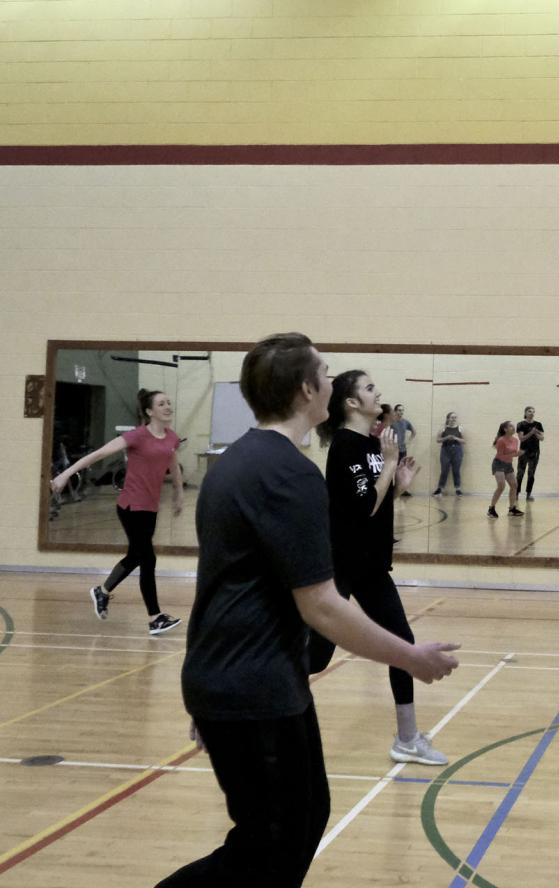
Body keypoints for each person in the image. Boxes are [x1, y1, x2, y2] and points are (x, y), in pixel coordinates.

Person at [157, 333, 458, 887]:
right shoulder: (289, 473)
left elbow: (224, 590)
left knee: (287, 826)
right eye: (324, 371)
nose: (332, 379)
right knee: (277, 838)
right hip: (255, 689)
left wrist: (210, 692)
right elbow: (322, 605)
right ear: (305, 390)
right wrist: (411, 656)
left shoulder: (233, 463)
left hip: (236, 683)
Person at [312, 370, 447, 766]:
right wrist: (389, 466)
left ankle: (406, 739)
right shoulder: (345, 448)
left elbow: (377, 500)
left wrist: (398, 482)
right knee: (314, 660)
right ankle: (247, 700)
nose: (378, 393)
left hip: (370, 567)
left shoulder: (371, 444)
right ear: (351, 403)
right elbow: (361, 508)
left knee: (403, 647)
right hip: (340, 567)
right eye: (369, 388)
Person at [50, 388, 184, 635]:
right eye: (162, 404)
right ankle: (155, 617)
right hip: (131, 506)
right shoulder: (136, 437)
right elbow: (98, 454)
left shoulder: (171, 438)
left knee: (135, 556)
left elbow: (172, 466)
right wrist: (65, 474)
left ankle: (102, 592)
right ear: (149, 411)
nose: (167, 407)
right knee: (148, 559)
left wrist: (179, 493)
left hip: (150, 508)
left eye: (168, 403)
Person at [489, 421, 524, 518]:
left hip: (508, 465)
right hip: (498, 464)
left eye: (513, 426)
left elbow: (513, 454)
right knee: (501, 486)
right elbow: (501, 455)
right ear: (505, 429)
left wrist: (520, 453)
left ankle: (512, 509)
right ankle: (491, 509)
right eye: (511, 426)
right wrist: (515, 454)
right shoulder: (501, 440)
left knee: (514, 485)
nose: (513, 427)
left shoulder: (516, 440)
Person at [515, 406, 546, 502]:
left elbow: (542, 438)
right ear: (525, 413)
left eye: (533, 412)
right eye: (529, 411)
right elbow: (521, 438)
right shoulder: (520, 424)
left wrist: (535, 432)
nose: (532, 413)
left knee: (531, 474)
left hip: (535, 452)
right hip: (523, 452)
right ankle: (516, 493)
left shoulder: (538, 424)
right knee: (520, 473)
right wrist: (532, 432)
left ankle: (528, 494)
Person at [433, 411, 465, 496]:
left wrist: (455, 438)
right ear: (448, 418)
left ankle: (458, 489)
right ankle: (440, 488)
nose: (454, 419)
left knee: (456, 470)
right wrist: (446, 437)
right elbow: (438, 440)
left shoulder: (460, 428)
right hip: (445, 450)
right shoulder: (443, 428)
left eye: (455, 417)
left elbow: (464, 441)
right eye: (452, 417)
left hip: (457, 451)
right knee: (444, 470)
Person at [390, 404, 416, 496]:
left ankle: (402, 489)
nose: (401, 412)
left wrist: (408, 441)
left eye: (402, 410)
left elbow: (414, 431)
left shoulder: (405, 422)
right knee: (392, 469)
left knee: (402, 470)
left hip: (403, 450)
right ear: (395, 411)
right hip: (394, 450)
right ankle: (390, 489)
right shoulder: (391, 422)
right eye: (399, 410)